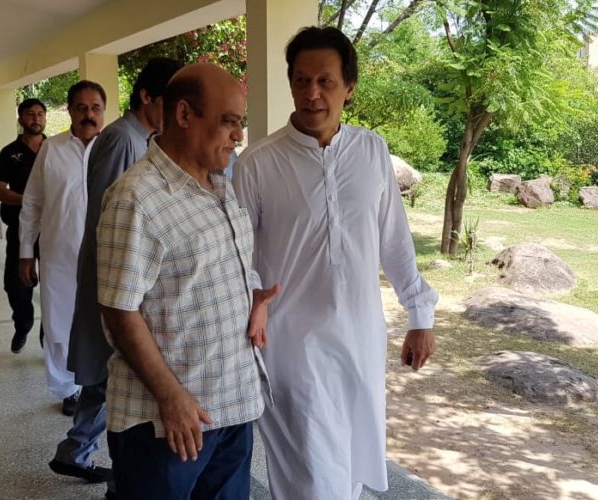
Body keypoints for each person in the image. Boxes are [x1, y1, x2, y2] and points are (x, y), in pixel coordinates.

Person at [232, 26, 439, 500]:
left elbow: (394, 241)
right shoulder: (258, 162)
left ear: (349, 87)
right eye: (301, 80)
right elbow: (235, 252)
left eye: (325, 81)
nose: (312, 93)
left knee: (346, 469)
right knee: (312, 475)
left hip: (359, 341)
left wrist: (419, 315)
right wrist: (251, 300)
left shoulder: (371, 151)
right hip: (288, 347)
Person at [97, 62, 278, 500]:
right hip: (168, 423)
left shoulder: (221, 185)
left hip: (231, 403)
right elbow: (119, 310)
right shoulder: (136, 198)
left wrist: (253, 298)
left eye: (240, 123)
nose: (238, 135)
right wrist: (171, 397)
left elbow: (210, 273)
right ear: (183, 115)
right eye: (229, 122)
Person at [50, 57, 182, 484]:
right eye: (171, 102)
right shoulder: (123, 139)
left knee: (111, 370)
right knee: (116, 366)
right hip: (115, 277)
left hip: (124, 276)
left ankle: (78, 448)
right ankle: (92, 452)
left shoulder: (139, 137)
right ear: (147, 97)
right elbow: (110, 218)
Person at [18, 80, 105, 417]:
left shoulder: (114, 146)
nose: (88, 114)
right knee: (59, 322)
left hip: (106, 255)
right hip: (60, 253)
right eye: (81, 108)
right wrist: (27, 251)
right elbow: (33, 202)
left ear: (103, 111)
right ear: (69, 111)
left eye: (95, 108)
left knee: (106, 319)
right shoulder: (51, 149)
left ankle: (102, 381)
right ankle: (68, 389)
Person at [0, 98, 47, 354]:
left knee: (54, 286)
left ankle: (50, 338)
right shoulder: (10, 152)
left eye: (40, 114)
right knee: (16, 284)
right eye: (30, 114)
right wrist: (27, 201)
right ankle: (22, 324)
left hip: (52, 231)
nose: (36, 118)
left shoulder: (56, 148)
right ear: (21, 119)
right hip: (20, 228)